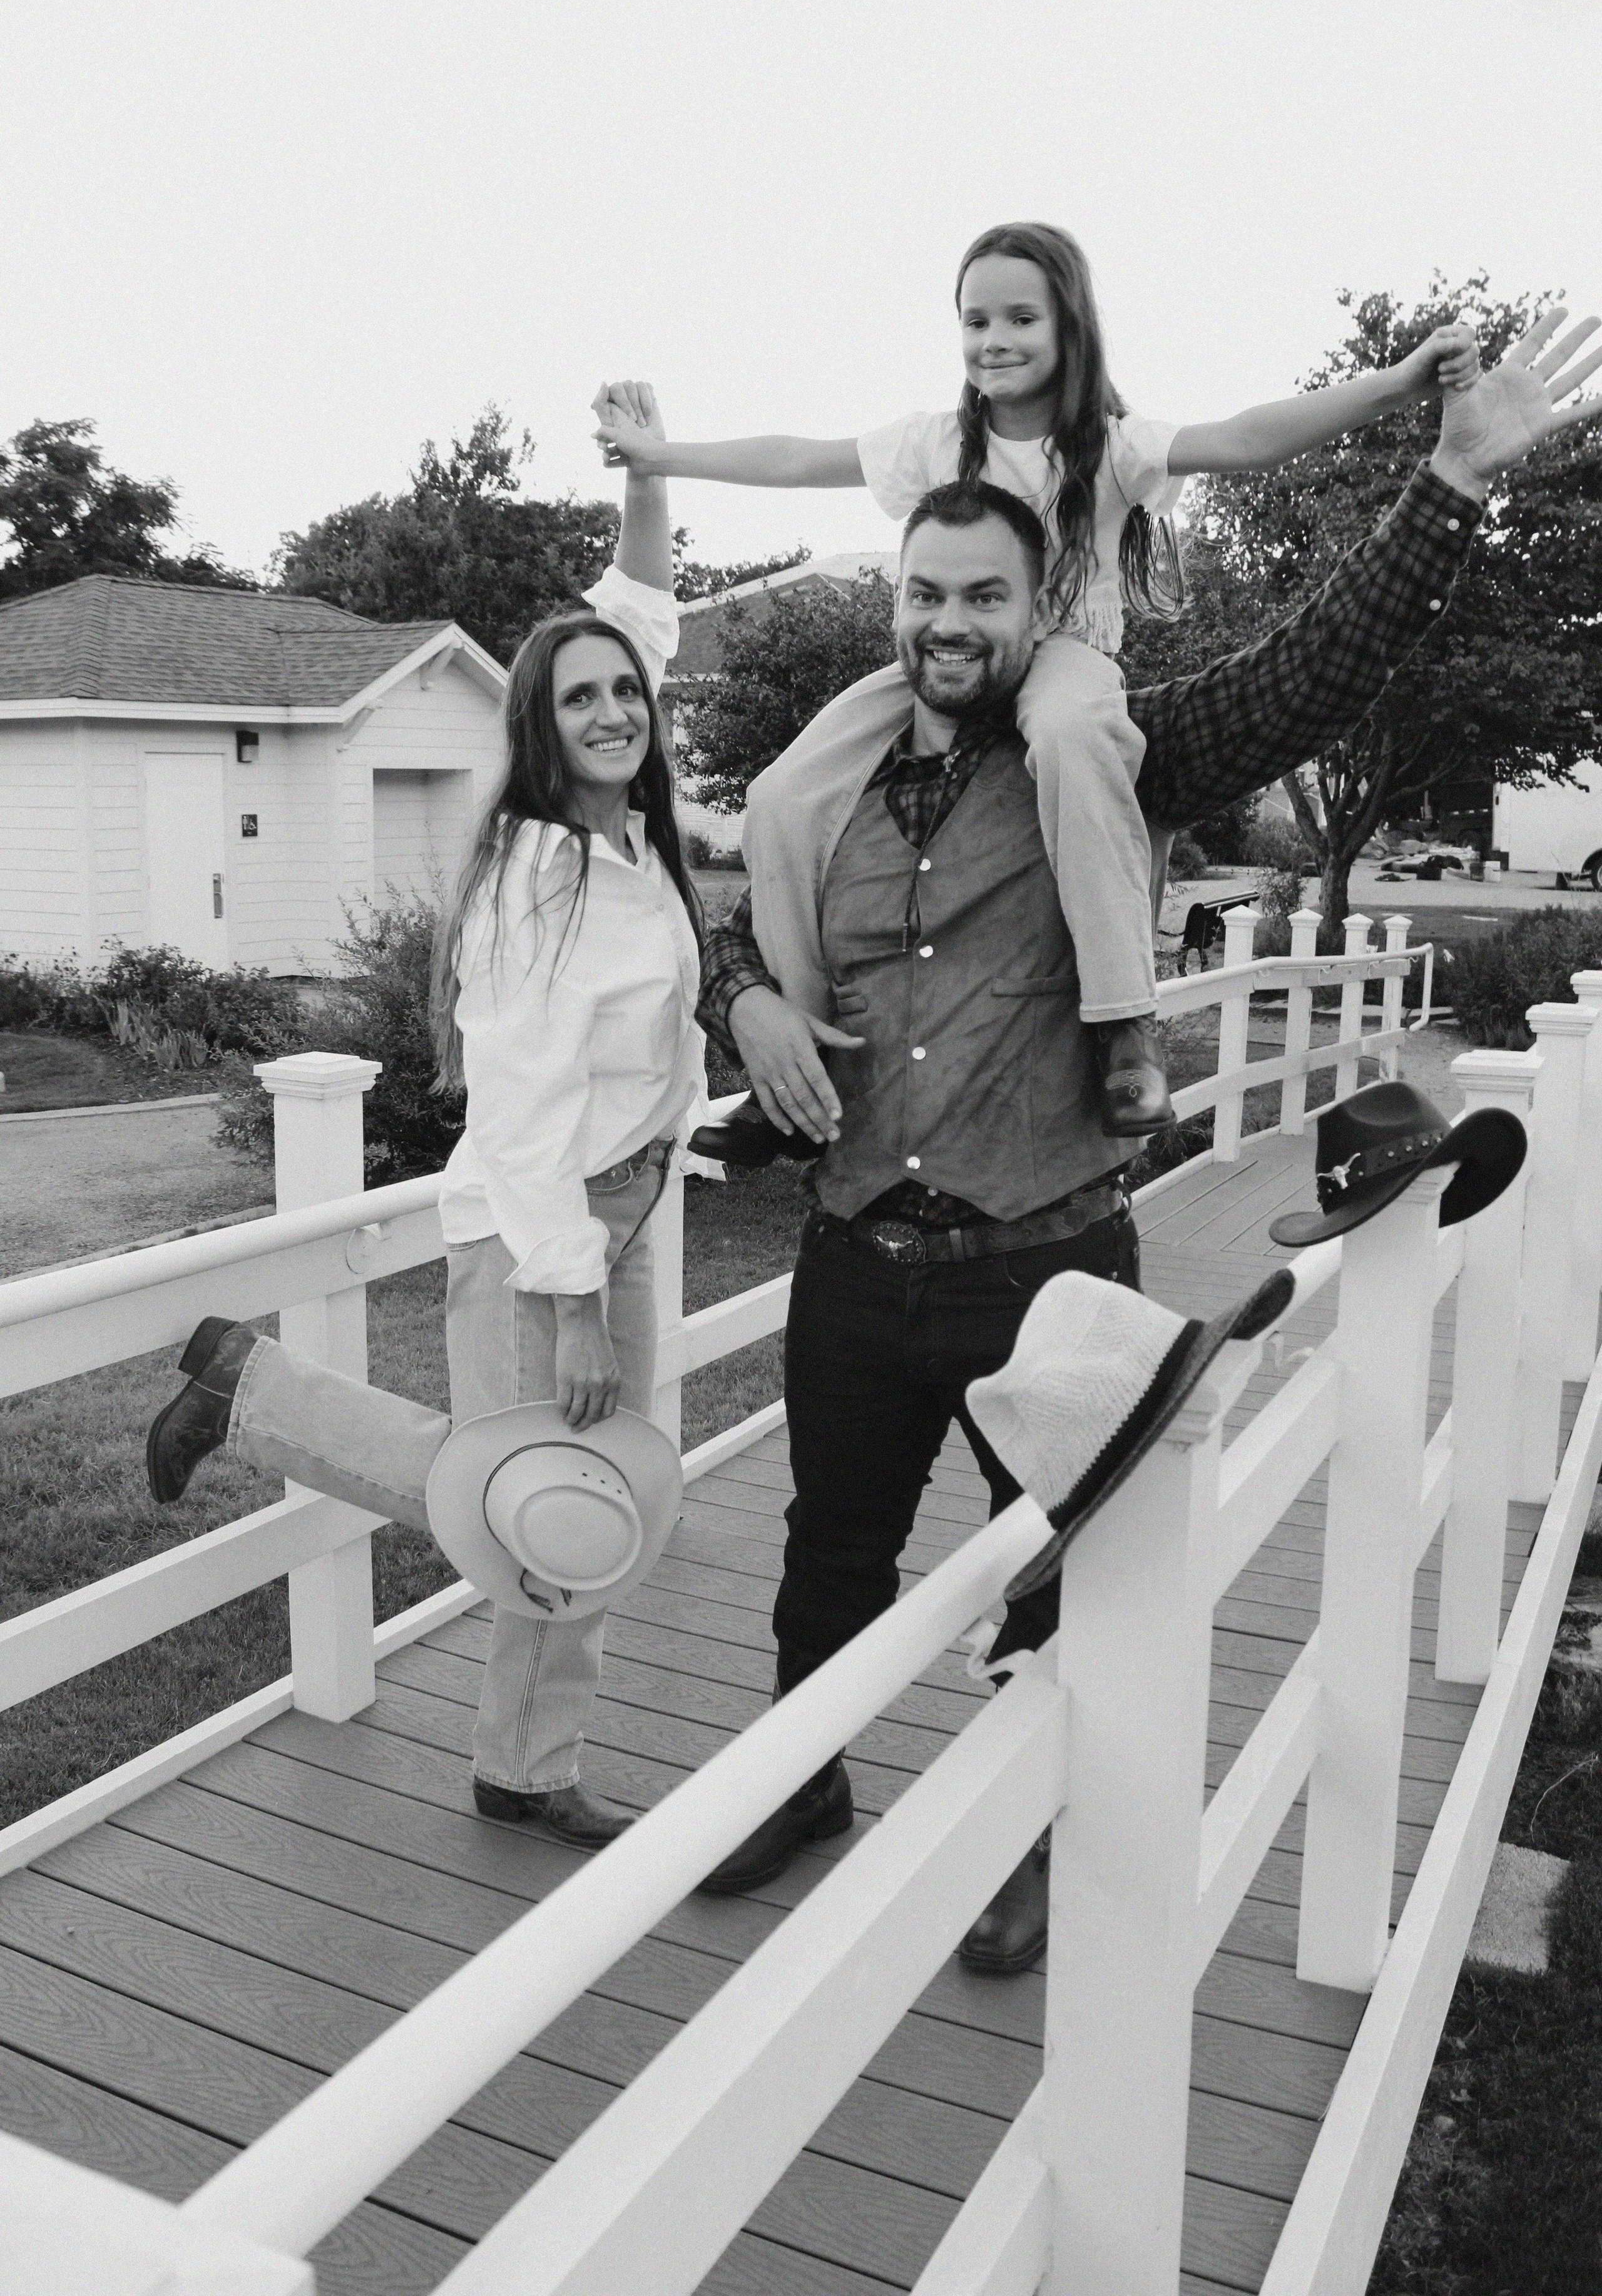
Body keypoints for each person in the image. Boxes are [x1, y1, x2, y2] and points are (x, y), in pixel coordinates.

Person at [688, 307, 1602, 1969]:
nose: (948, 622)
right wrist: (743, 997)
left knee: (1052, 1579)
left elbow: (1309, 669)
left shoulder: (1108, 757)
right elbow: (719, 922)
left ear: (1039, 610)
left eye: (982, 596)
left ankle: (1037, 1844)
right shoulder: (820, 783)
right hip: (852, 1255)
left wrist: (1450, 483)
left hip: (1039, 1257)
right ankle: (802, 1782)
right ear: (893, 604)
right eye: (924, 594)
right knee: (828, 1559)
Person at [145, 383, 700, 1852]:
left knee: (582, 1497)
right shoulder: (537, 870)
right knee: (538, 1490)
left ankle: (523, 1760)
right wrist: (568, 1298)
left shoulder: (627, 842)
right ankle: (250, 1395)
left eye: (624, 693)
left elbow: (641, 609)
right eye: (577, 695)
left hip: (622, 1204)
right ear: (536, 721)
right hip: (546, 1221)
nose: (610, 708)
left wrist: (646, 471)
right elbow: (520, 1114)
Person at [596, 220, 1479, 1142]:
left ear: (1069, 328)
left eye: (1020, 318)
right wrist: (663, 459)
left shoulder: (1107, 446)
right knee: (782, 792)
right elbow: (795, 457)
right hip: (948, 658)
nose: (995, 340)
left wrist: (1401, 380)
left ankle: (1122, 1022)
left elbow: (1252, 439)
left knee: (1069, 738)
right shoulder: (936, 442)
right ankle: (807, 1058)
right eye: (975, 321)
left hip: (1062, 657)